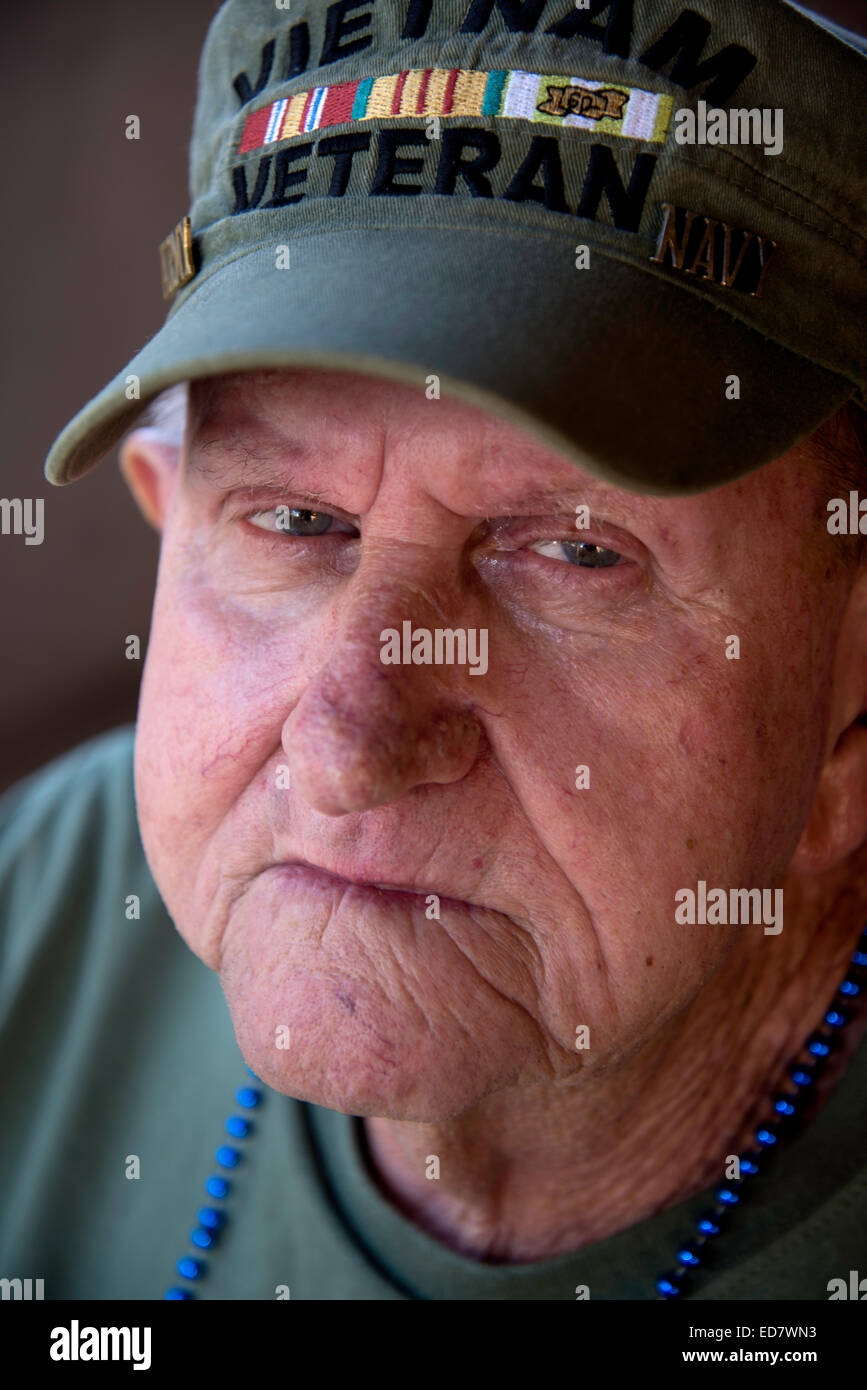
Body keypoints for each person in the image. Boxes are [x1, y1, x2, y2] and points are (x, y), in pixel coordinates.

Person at [1, 0, 866, 1303]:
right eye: (296, 521)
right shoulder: (42, 908)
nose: (348, 744)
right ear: (163, 519)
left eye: (576, 552)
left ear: (852, 708)